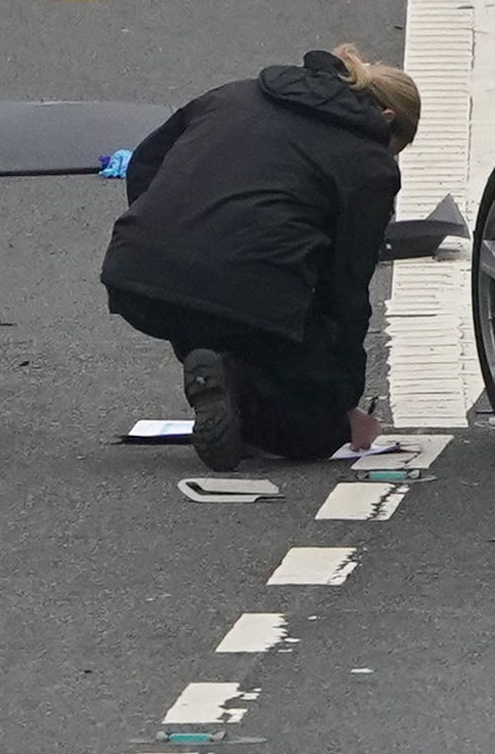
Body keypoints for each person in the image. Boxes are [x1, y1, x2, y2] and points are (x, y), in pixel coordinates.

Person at [103, 47, 419, 468]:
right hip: (248, 295)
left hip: (140, 276)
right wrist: (341, 404)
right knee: (311, 434)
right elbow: (345, 287)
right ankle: (239, 385)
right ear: (385, 120)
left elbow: (145, 163)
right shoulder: (369, 163)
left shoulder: (233, 94)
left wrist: (161, 232)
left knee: (211, 309)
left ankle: (218, 365)